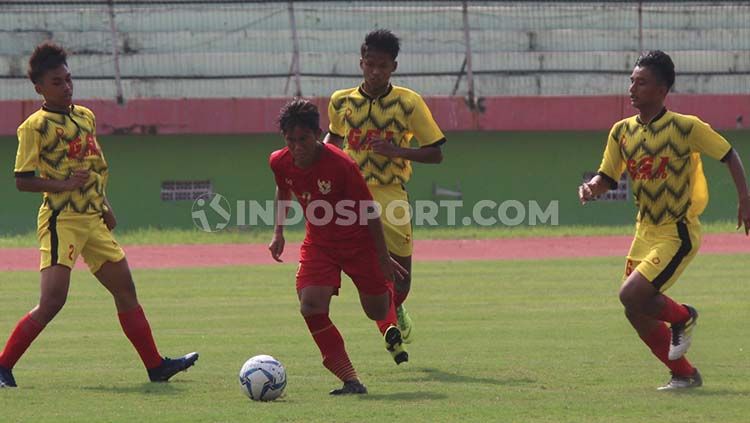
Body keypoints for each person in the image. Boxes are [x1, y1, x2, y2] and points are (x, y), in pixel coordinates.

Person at [0, 42, 198, 388]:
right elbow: (22, 181)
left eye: (69, 79)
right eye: (57, 82)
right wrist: (62, 184)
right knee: (52, 302)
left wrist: (105, 206)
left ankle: (156, 366)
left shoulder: (85, 116)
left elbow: (92, 167)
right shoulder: (34, 126)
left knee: (126, 289)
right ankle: (3, 364)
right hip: (61, 220)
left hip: (92, 219)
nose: (67, 86)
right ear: (39, 88)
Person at [578, 50, 750, 390]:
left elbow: (729, 155)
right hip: (644, 231)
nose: (632, 88)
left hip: (677, 231)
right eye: (631, 81)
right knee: (635, 310)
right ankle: (684, 374)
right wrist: (591, 188)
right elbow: (607, 176)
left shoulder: (685, 127)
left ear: (661, 89)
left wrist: (745, 199)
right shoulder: (621, 131)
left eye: (640, 83)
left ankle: (684, 317)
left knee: (631, 294)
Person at [268, 99, 409, 395]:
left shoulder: (342, 165)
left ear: (317, 134)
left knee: (376, 310)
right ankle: (350, 379)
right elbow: (283, 189)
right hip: (320, 244)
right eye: (290, 140)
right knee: (311, 306)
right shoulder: (279, 161)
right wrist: (279, 231)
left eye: (303, 139)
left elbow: (369, 210)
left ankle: (391, 302)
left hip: (359, 245)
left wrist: (383, 258)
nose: (297, 147)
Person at [324, 29, 446, 346]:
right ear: (361, 62)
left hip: (391, 194)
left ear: (394, 66)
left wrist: (398, 151)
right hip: (350, 195)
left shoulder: (408, 103)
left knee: (401, 280)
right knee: (340, 261)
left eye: (383, 66)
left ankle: (397, 307)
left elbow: (436, 153)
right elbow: (333, 142)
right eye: (370, 64)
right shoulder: (340, 102)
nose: (375, 71)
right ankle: (373, 315)